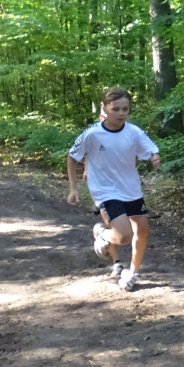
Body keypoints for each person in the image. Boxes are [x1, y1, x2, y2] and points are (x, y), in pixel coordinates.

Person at [66, 87, 161, 292]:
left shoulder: (133, 132)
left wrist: (154, 156)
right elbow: (72, 157)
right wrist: (73, 188)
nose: (121, 113)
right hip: (105, 191)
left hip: (131, 188)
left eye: (125, 109)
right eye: (115, 109)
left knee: (143, 230)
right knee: (125, 235)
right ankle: (102, 235)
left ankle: (132, 274)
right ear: (105, 108)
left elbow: (150, 148)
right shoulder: (92, 134)